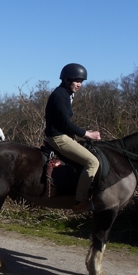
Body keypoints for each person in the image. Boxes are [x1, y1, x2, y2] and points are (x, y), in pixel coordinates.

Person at [44, 63, 101, 213]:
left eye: (81, 82)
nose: (80, 85)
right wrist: (87, 134)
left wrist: (83, 133)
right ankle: (80, 201)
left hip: (63, 135)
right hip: (58, 138)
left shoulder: (65, 94)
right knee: (92, 162)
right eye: (77, 81)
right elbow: (65, 123)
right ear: (67, 80)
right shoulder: (59, 95)